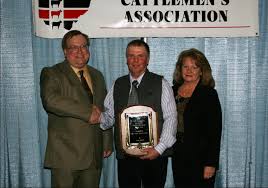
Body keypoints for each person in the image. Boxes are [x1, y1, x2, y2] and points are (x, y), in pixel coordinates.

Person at [40, 30, 113, 188]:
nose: (80, 52)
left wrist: (107, 141)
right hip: (65, 155)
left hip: (94, 153)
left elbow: (104, 109)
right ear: (65, 52)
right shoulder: (52, 73)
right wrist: (88, 113)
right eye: (74, 47)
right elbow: (51, 100)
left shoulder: (97, 75)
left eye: (84, 46)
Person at [100, 39, 177, 188]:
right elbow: (110, 116)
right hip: (126, 157)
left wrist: (159, 149)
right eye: (131, 55)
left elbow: (171, 118)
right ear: (126, 59)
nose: (135, 60)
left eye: (140, 56)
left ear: (147, 60)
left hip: (155, 154)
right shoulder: (118, 84)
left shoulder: (161, 83)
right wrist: (99, 118)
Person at [171, 48, 222, 188]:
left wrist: (211, 163)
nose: (189, 70)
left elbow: (215, 132)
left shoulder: (209, 94)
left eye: (194, 67)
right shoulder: (171, 91)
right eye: (185, 66)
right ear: (180, 69)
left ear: (202, 70)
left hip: (201, 158)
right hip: (178, 155)